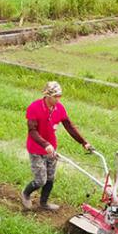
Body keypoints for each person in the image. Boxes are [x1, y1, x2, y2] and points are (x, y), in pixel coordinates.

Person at [21, 81, 92, 211]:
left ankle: (44, 203)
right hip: (36, 148)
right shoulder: (34, 107)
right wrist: (45, 144)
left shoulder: (59, 108)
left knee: (50, 178)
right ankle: (25, 194)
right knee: (40, 180)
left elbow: (69, 126)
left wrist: (84, 142)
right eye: (56, 96)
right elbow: (32, 131)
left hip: (51, 149)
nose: (58, 99)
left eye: (59, 96)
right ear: (48, 96)